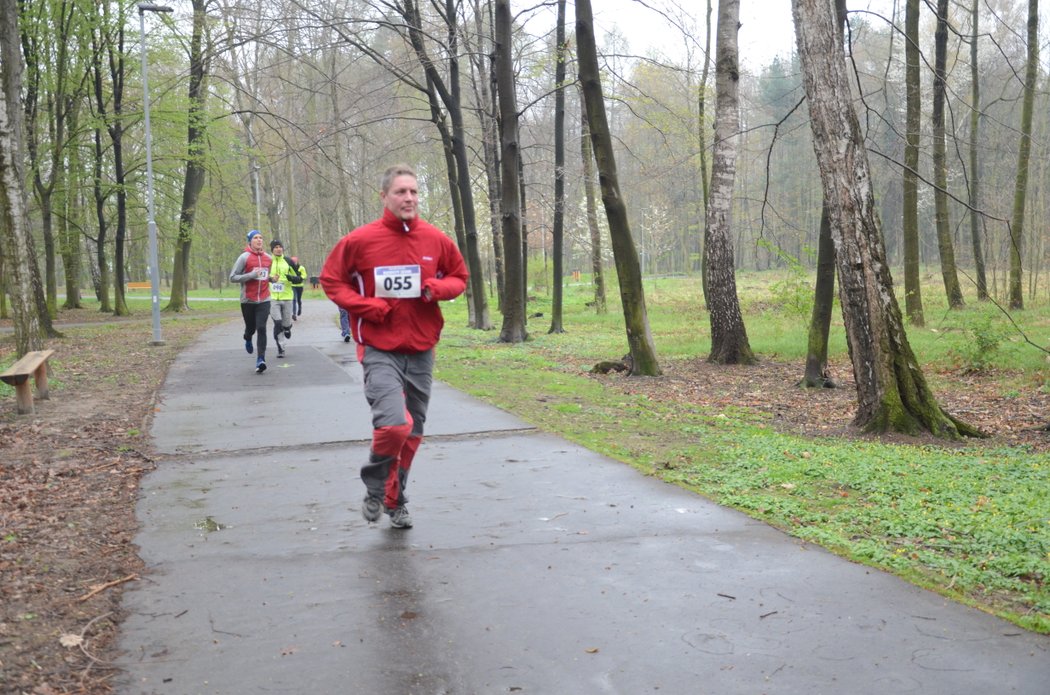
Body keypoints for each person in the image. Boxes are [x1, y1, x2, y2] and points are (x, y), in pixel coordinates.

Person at [320, 164, 468, 529]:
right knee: (394, 426)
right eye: (401, 192)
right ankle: (374, 487)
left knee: (412, 434)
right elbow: (332, 280)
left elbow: (460, 277)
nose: (409, 198)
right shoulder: (360, 241)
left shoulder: (436, 239)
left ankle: (394, 499)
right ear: (384, 196)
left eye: (414, 192)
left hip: (421, 348)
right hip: (379, 348)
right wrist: (367, 307)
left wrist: (437, 289)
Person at [230, 229, 273, 373]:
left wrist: (272, 279)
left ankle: (261, 359)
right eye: (256, 238)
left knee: (262, 328)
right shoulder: (244, 257)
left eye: (261, 237)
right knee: (251, 329)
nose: (259, 240)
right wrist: (251, 275)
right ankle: (247, 337)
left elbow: (266, 276)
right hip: (248, 300)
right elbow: (233, 277)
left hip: (264, 299)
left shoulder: (268, 258)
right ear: (250, 241)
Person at [268, 239, 297, 358]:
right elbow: (263, 276)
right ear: (272, 249)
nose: (278, 249)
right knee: (277, 323)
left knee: (285, 323)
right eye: (276, 247)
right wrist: (270, 279)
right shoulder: (268, 262)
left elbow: (299, 278)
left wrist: (290, 278)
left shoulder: (288, 261)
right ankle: (281, 348)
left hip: (287, 297)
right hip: (273, 298)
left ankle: (288, 327)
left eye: (280, 247)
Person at [288, 255, 307, 320]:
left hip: (300, 286)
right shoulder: (289, 268)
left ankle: (300, 308)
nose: (294, 262)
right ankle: (294, 314)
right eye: (292, 261)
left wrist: (300, 278)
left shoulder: (301, 267)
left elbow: (304, 275)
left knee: (298, 299)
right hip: (293, 286)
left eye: (295, 261)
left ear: (297, 261)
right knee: (294, 299)